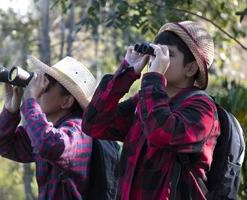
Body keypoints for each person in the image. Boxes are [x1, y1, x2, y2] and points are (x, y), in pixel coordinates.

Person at [82, 21, 220, 199]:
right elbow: (93, 124)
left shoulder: (203, 108)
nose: (157, 59)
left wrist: (154, 78)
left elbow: (161, 133)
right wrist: (126, 72)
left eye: (168, 54)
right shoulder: (145, 100)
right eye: (156, 51)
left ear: (191, 68)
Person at [0, 56, 97, 200]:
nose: (39, 91)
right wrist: (10, 112)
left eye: (46, 87)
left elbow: (49, 145)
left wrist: (31, 101)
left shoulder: (79, 131)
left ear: (66, 101)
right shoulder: (48, 129)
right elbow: (5, 146)